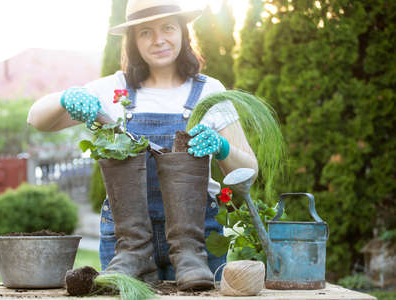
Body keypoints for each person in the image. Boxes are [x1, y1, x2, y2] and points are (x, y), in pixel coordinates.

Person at [27, 0, 258, 291]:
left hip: (197, 243)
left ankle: (185, 250)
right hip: (127, 244)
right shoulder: (114, 90)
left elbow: (249, 171)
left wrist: (222, 147)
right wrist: (64, 98)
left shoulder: (210, 91)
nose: (159, 39)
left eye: (168, 28)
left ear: (183, 32)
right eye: (145, 32)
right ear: (133, 41)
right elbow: (36, 119)